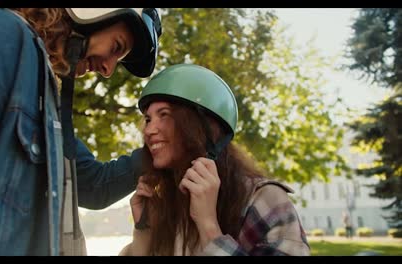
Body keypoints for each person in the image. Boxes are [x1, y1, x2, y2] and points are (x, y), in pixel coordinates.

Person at [0, 8, 162, 255]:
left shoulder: (41, 97)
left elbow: (94, 185)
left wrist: (164, 150)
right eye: (116, 47)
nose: (108, 69)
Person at [119, 64, 310, 256]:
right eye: (148, 119)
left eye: (164, 115)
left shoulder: (264, 199)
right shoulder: (165, 204)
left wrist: (208, 224)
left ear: (203, 127)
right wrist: (145, 231)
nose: (149, 130)